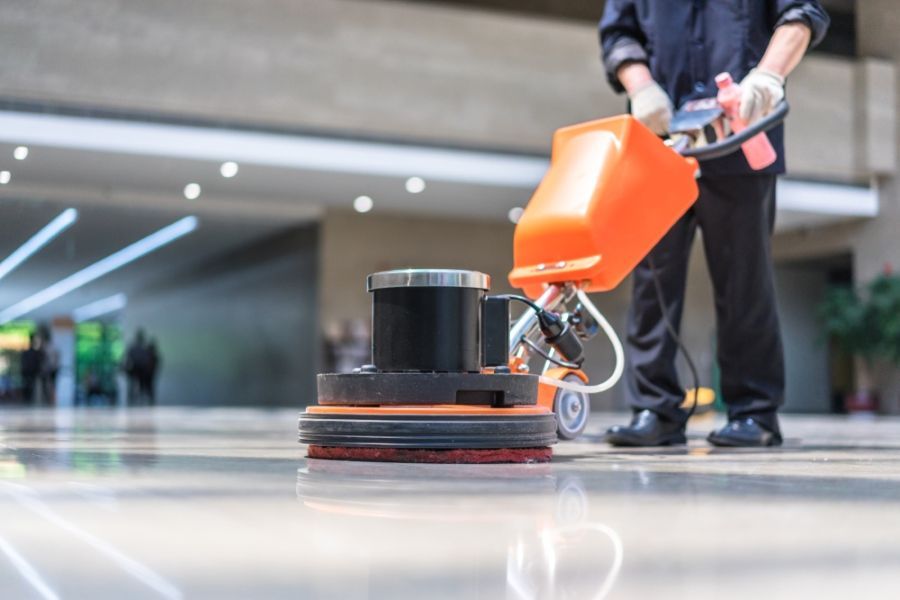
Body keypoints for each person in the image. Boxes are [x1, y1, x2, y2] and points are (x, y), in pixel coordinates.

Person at [599, 1, 829, 447]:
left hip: (740, 136)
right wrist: (643, 87)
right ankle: (655, 409)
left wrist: (768, 75)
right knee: (652, 281)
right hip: (661, 141)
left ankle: (754, 413)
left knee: (745, 281)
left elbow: (801, 14)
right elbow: (618, 35)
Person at [20, 334, 43, 404]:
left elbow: (38, 362)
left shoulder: (34, 352)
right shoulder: (32, 352)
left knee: (29, 384)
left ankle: (28, 398)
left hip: (30, 370)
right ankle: (27, 398)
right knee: (28, 384)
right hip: (29, 370)